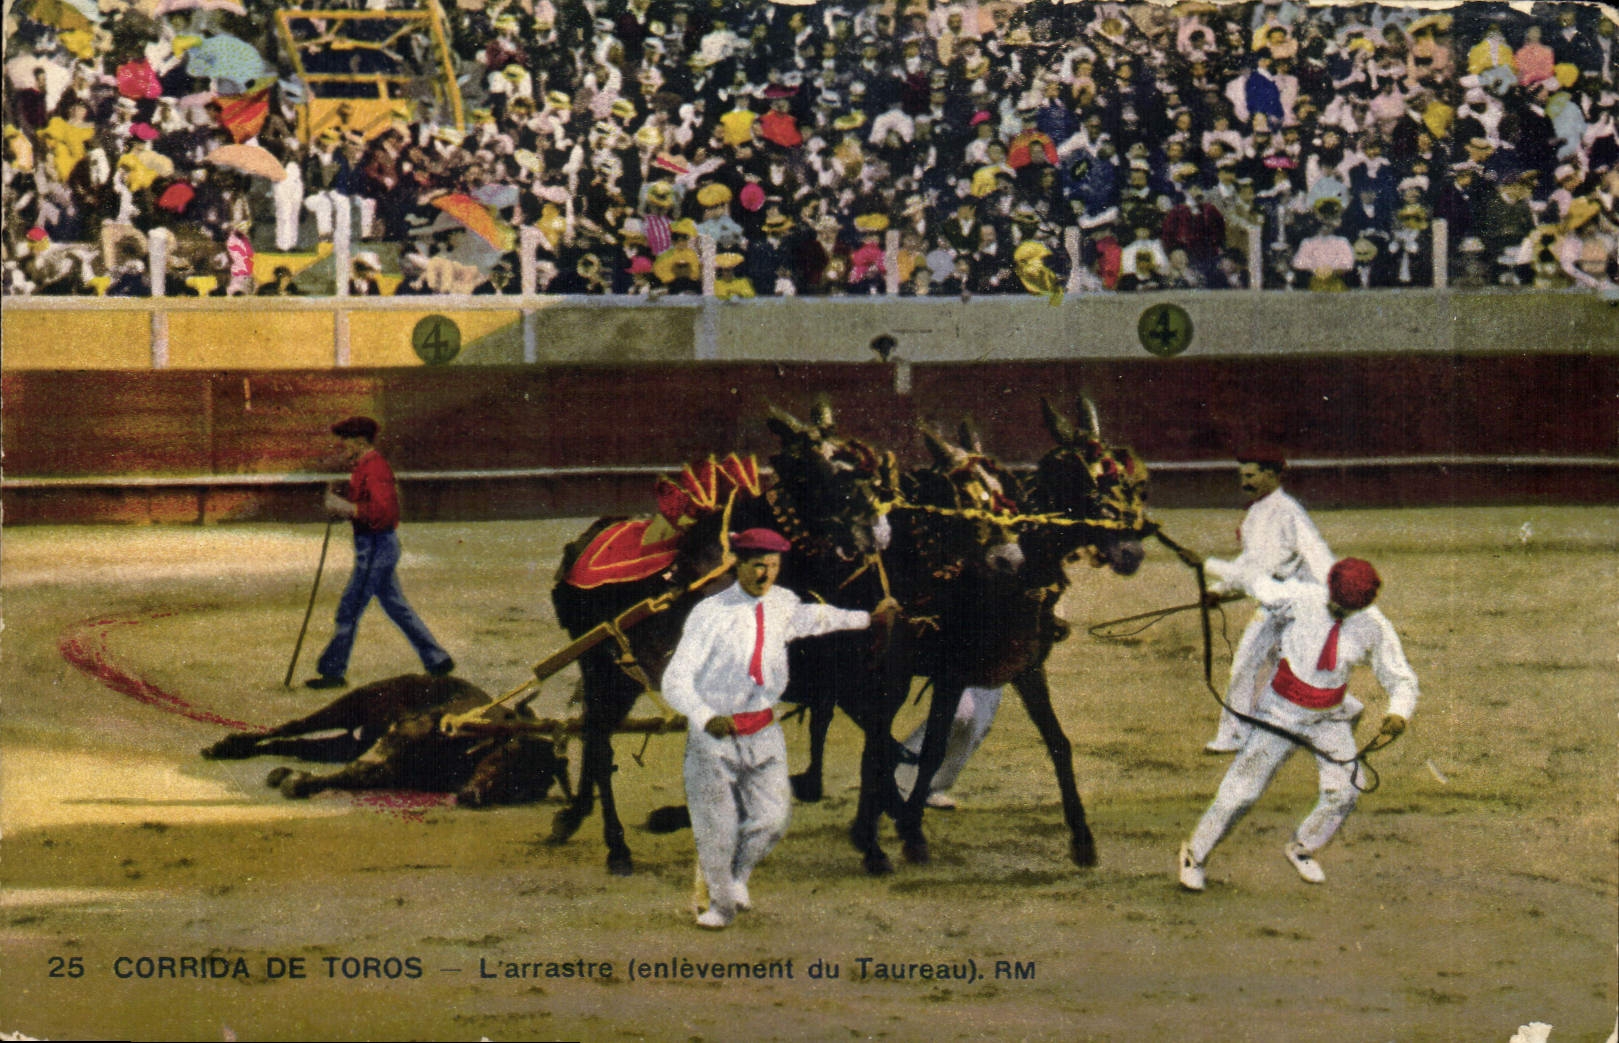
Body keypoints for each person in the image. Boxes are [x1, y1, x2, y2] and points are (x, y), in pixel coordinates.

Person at [660, 528, 899, 929]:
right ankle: (717, 906)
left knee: (773, 819)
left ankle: (734, 878)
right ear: (738, 565)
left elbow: (817, 618)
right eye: (757, 565)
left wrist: (868, 619)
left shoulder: (783, 603)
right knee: (716, 826)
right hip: (716, 732)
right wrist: (703, 716)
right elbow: (675, 679)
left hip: (764, 730)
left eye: (773, 566)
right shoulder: (709, 614)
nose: (765, 574)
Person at [1177, 558, 1418, 891]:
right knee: (1240, 792)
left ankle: (1303, 846)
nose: (1342, 612)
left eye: (1350, 609)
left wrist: (1398, 713)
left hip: (1329, 717)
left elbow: (1401, 678)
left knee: (1346, 790)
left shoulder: (1373, 625)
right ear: (1330, 588)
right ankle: (1194, 855)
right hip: (1281, 711)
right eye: (1339, 604)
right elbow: (1252, 578)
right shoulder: (1299, 597)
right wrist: (1208, 569)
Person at [306, 416, 454, 690]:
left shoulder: (374, 468)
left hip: (375, 547)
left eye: (346, 441)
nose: (342, 447)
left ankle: (333, 671)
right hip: (376, 545)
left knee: (349, 609)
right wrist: (345, 509)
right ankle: (437, 659)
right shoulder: (366, 466)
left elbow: (384, 514)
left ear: (360, 441)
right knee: (397, 607)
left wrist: (346, 508)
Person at [1202, 449, 1334, 753]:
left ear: (1272, 475)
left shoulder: (1289, 512)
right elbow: (1252, 566)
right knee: (1245, 665)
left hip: (1302, 608)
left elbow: (1316, 557)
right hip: (1273, 607)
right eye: (1242, 476)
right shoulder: (1254, 516)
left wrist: (1334, 597)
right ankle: (1233, 735)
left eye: (1251, 476)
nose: (1244, 482)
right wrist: (1221, 590)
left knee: (1300, 673)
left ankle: (1325, 729)